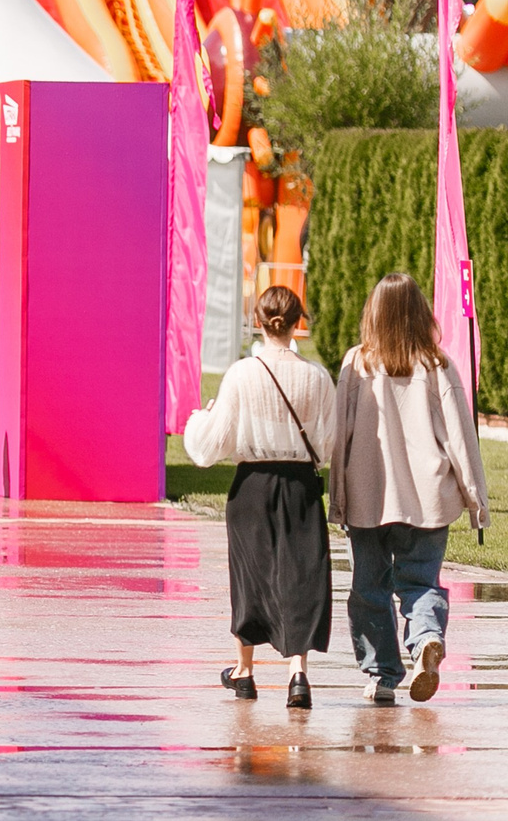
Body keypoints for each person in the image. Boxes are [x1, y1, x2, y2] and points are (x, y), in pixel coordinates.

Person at [329, 274, 491, 704]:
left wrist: (338, 497)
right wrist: (476, 501)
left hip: (368, 498)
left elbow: (338, 436)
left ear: (373, 314)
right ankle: (424, 642)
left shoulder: (356, 364)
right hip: (427, 500)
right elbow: (461, 438)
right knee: (421, 582)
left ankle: (382, 674)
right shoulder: (438, 365)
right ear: (421, 313)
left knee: (369, 588)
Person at [184, 285, 333, 709]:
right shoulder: (316, 376)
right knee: (301, 577)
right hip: (300, 484)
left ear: (258, 320)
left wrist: (199, 419)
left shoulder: (241, 373)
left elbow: (211, 443)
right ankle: (298, 673)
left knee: (250, 577)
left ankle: (245, 671)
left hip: (251, 485)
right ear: (298, 322)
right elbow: (329, 440)